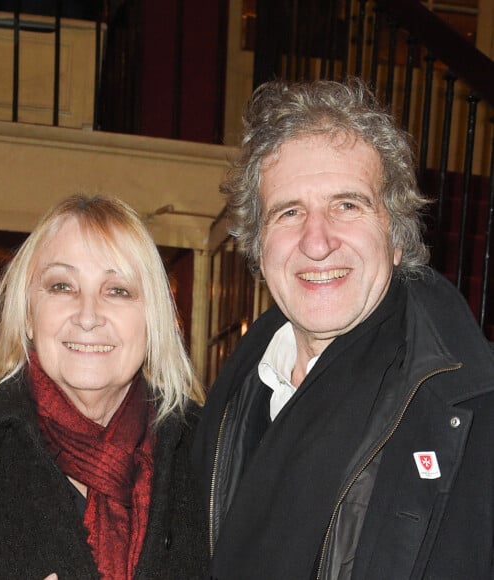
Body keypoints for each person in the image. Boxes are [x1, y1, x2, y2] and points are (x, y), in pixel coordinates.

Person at [192, 78, 494, 579]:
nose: (316, 241)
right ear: (259, 247)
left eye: (347, 205)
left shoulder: (475, 413)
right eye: (289, 212)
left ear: (395, 239)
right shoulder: (230, 398)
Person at [0, 195, 207, 579]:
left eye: (117, 290)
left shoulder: (205, 455)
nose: (88, 316)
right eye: (62, 286)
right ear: (29, 315)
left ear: (153, 320)